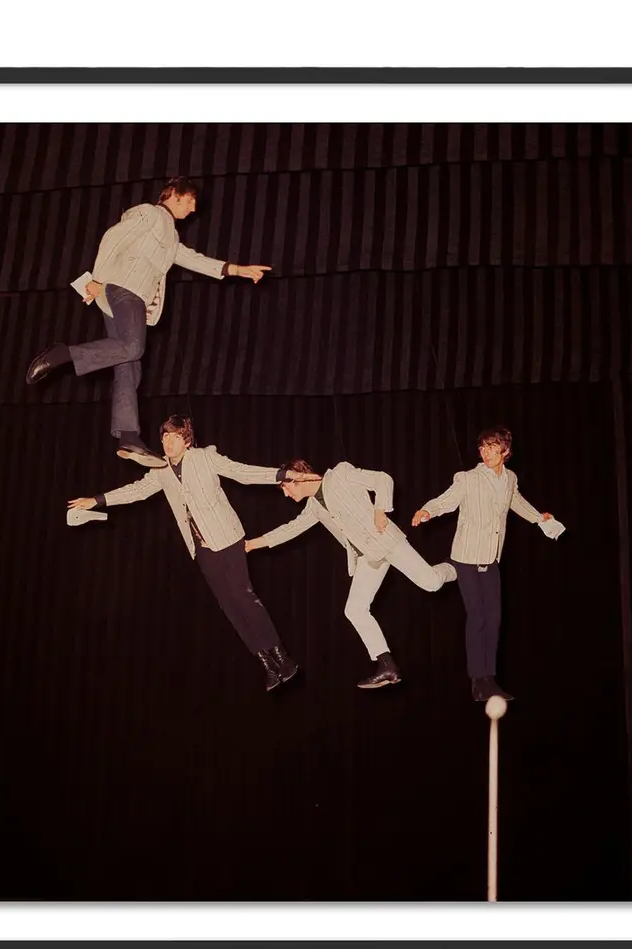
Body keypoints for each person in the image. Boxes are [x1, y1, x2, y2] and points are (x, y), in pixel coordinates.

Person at [27, 178, 271, 467]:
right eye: (190, 201)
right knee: (133, 347)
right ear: (175, 195)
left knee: (129, 366)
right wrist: (97, 278)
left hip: (125, 297)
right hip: (124, 289)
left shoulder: (171, 237)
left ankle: (128, 436)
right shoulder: (150, 213)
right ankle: (62, 354)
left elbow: (195, 260)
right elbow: (114, 237)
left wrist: (237, 270)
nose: (193, 209)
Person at [67, 416, 319, 691]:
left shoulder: (205, 457)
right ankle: (267, 664)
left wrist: (283, 475)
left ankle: (283, 658)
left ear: (186, 441)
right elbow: (137, 491)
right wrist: (97, 500)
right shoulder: (161, 468)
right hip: (201, 548)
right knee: (229, 607)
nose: (168, 442)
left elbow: (242, 472)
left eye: (174, 436)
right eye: (164, 437)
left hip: (227, 538)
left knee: (243, 597)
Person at [245, 459, 457, 690]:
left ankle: (457, 568)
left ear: (298, 477)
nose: (286, 494)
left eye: (286, 487)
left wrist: (380, 509)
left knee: (432, 583)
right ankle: (386, 665)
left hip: (386, 541)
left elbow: (382, 479)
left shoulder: (341, 474)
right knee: (355, 609)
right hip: (368, 557)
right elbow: (291, 529)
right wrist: (251, 544)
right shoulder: (314, 507)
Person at [411, 426, 555, 702]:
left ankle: (489, 678)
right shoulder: (468, 478)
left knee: (494, 618)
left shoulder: (510, 478)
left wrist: (539, 518)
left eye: (491, 447)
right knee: (477, 617)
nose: (485, 452)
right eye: (482, 448)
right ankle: (478, 680)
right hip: (466, 556)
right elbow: (447, 500)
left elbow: (516, 501)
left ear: (505, 450)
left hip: (490, 557)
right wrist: (428, 510)